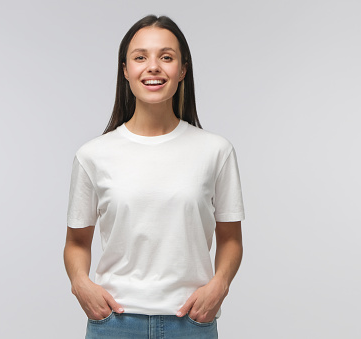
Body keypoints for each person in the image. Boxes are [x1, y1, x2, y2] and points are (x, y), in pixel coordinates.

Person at [64, 14, 245, 339]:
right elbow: (76, 242)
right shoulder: (93, 155)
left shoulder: (215, 151)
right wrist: (80, 284)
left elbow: (231, 239)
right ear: (125, 70)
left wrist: (219, 286)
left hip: (191, 322)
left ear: (183, 69)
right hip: (114, 324)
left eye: (166, 57)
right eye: (140, 57)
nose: (153, 66)